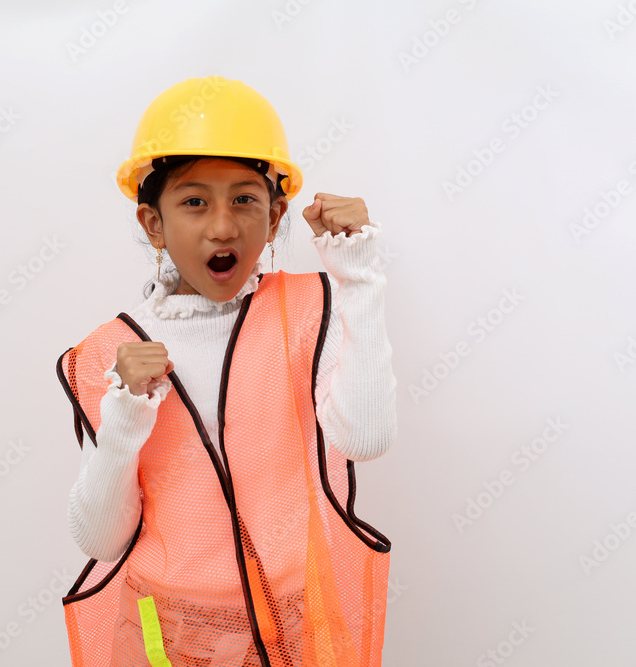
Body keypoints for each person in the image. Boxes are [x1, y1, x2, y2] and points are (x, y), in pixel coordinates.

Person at [58, 76, 397, 666]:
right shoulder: (108, 354)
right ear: (152, 223)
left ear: (276, 214)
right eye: (194, 201)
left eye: (245, 198)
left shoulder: (310, 312)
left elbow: (364, 439)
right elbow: (100, 540)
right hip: (166, 635)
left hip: (295, 622)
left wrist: (358, 278)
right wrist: (124, 415)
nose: (223, 226)